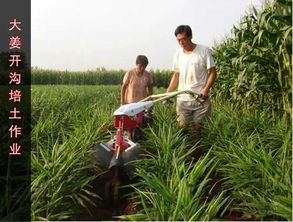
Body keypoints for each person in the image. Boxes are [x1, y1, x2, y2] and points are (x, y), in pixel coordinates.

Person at [166, 25, 217, 139]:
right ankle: (185, 154)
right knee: (182, 129)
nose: (181, 42)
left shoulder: (203, 51)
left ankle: (197, 155)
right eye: (178, 40)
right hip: (183, 100)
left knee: (196, 130)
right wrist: (168, 92)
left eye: (184, 39)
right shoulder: (178, 54)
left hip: (200, 99)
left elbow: (213, 72)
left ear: (190, 37)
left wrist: (206, 89)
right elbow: (176, 74)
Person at [120, 55, 153, 139]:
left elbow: (150, 89)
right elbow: (123, 88)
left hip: (142, 104)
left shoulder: (147, 75)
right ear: (137, 64)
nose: (142, 68)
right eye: (141, 66)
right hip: (130, 103)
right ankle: (129, 138)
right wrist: (122, 102)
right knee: (129, 124)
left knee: (139, 123)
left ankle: (137, 139)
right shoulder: (130, 73)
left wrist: (150, 101)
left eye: (144, 66)